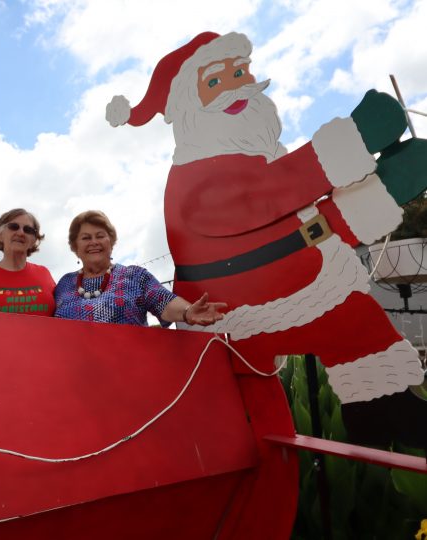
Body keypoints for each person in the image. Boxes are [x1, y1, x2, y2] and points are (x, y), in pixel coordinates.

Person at [105, 31, 427, 444]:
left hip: (312, 286)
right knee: (238, 394)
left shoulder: (260, 158)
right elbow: (270, 195)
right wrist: (355, 140)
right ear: (190, 105)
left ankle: (383, 407)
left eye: (240, 72)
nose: (238, 88)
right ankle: (227, 436)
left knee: (358, 323)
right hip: (231, 316)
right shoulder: (194, 179)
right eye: (216, 82)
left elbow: (297, 221)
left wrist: (372, 197)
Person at [53, 210, 225, 326]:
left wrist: (188, 312)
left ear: (111, 243)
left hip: (129, 370)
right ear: (75, 247)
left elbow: (163, 301)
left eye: (100, 236)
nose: (94, 242)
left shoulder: (134, 276)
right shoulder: (64, 284)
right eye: (85, 238)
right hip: (74, 373)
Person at [0, 208, 56, 316]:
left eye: (28, 230)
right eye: (14, 227)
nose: (21, 233)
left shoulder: (44, 273)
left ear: (33, 240)